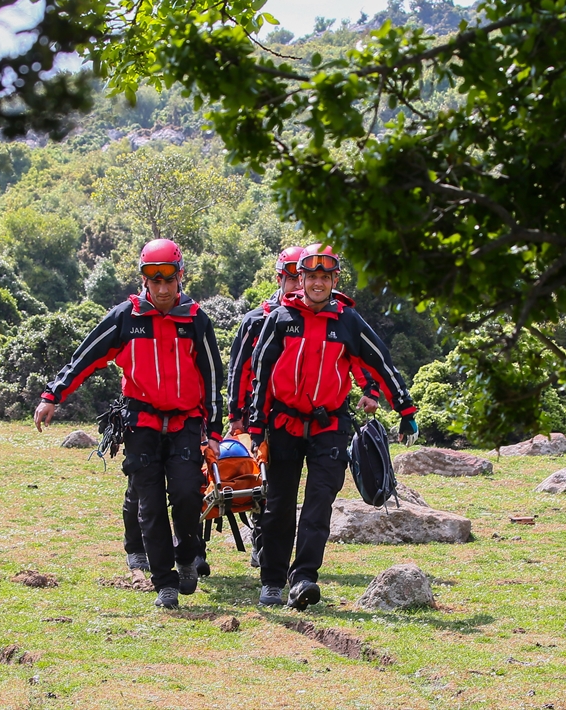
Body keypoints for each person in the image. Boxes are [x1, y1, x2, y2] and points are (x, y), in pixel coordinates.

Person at [34, 238, 224, 609]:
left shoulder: (195, 320)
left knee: (187, 495)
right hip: (141, 423)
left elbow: (214, 378)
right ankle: (164, 583)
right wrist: (52, 394)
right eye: (156, 282)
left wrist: (214, 433)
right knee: (149, 505)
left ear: (180, 277)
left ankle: (187, 556)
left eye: (170, 280)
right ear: (144, 281)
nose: (164, 289)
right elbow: (86, 357)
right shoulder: (126, 317)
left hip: (186, 422)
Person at [247, 243, 418, 609]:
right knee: (278, 505)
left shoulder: (347, 321)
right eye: (312, 276)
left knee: (319, 502)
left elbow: (379, 361)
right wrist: (256, 427)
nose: (318, 283)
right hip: (283, 425)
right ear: (301, 279)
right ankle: (273, 581)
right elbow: (260, 375)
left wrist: (405, 408)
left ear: (334, 280)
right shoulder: (281, 319)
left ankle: (304, 578)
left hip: (329, 425)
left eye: (326, 277)